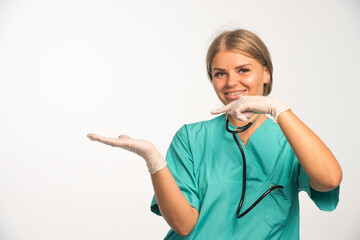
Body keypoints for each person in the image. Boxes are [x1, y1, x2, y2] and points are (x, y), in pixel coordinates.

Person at [87, 29, 342, 239]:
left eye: (243, 70)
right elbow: (183, 224)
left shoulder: (291, 141)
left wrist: (277, 108)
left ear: (266, 73)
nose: (231, 82)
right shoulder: (191, 138)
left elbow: (330, 179)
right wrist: (153, 159)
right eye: (220, 73)